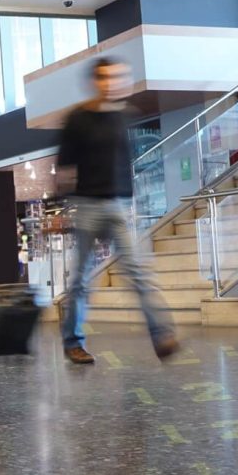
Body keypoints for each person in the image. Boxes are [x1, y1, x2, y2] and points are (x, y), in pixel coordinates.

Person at [57, 57, 179, 364]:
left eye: (117, 77)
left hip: (119, 205)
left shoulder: (126, 114)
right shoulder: (78, 118)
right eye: (105, 78)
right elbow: (65, 168)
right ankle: (73, 342)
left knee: (137, 272)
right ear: (95, 82)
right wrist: (67, 206)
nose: (112, 83)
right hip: (86, 206)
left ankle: (161, 335)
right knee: (81, 280)